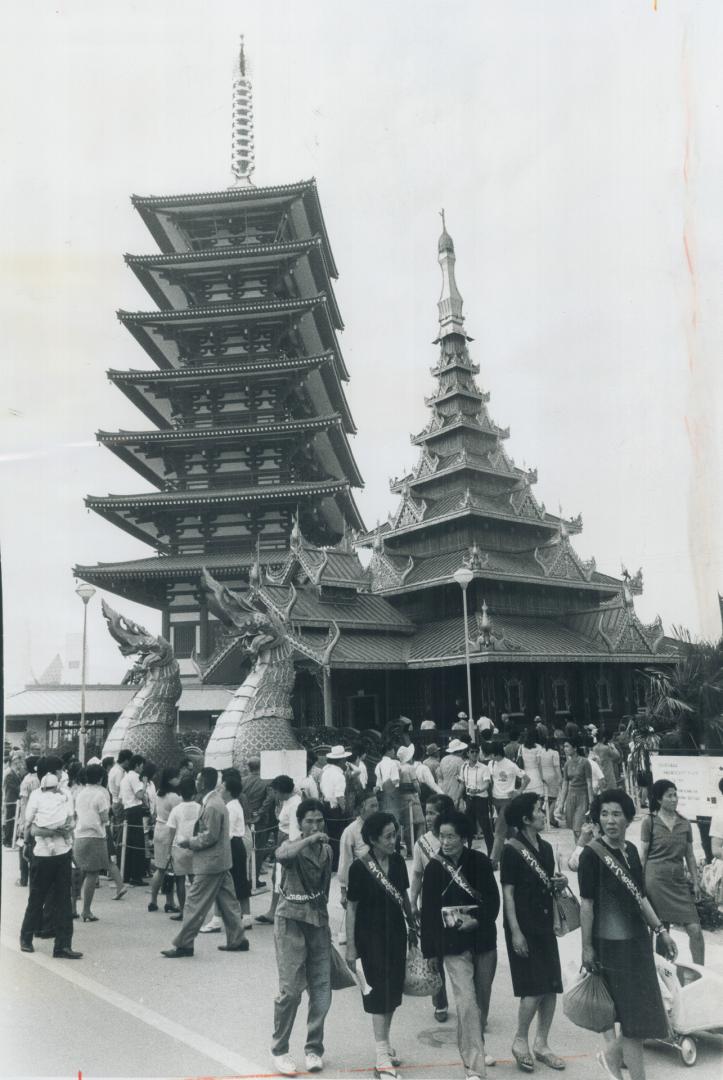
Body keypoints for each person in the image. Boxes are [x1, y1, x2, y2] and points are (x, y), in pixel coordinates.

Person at [578, 789, 676, 1080]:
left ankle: (612, 1059)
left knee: (641, 1017)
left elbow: (640, 897)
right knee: (633, 1020)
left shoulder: (631, 851)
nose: (610, 820)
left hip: (638, 943)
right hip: (610, 947)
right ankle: (626, 1069)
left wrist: (661, 930)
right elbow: (587, 906)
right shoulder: (591, 855)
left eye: (617, 814)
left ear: (628, 818)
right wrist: (586, 948)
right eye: (605, 814)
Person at [420, 809, 500, 1078]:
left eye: (451, 836)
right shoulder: (433, 868)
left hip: (483, 940)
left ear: (464, 837)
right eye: (441, 836)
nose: (446, 842)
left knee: (481, 1002)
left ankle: (476, 1044)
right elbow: (428, 912)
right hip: (452, 945)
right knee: (465, 1002)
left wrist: (476, 920)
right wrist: (429, 951)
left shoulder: (479, 861)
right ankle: (474, 1065)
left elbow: (493, 900)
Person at [346, 812, 415, 1080]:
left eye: (394, 834)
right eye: (388, 836)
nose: (394, 840)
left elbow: (404, 896)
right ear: (373, 839)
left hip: (396, 934)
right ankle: (380, 1055)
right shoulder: (359, 868)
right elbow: (351, 909)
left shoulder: (398, 862)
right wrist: (351, 947)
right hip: (369, 938)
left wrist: (412, 926)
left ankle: (385, 1045)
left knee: (393, 994)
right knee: (378, 995)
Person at [501, 793, 566, 1072]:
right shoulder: (511, 850)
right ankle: (520, 1040)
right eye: (539, 810)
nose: (543, 813)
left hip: (544, 923)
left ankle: (542, 1043)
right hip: (523, 925)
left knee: (550, 986)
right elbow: (508, 894)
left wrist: (559, 884)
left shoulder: (548, 849)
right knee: (533, 987)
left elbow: (549, 885)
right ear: (526, 819)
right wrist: (515, 931)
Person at [271, 799, 333, 1076]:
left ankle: (313, 1048)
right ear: (300, 823)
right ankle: (280, 1049)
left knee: (321, 990)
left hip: (317, 922)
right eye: (309, 821)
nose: (316, 826)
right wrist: (308, 840)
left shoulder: (327, 851)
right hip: (291, 921)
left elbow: (325, 889)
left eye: (319, 821)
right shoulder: (293, 847)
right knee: (291, 991)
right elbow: (282, 855)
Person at [161, 766, 249, 958]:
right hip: (220, 861)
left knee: (194, 903)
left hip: (209, 862)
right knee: (228, 901)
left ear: (202, 782)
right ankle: (238, 938)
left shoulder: (211, 805)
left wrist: (189, 842)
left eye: (199, 779)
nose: (197, 782)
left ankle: (184, 944)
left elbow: (210, 836)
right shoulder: (215, 802)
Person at [640, 779, 704, 964]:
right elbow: (643, 856)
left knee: (695, 930)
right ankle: (664, 974)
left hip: (678, 882)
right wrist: (639, 883)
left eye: (675, 794)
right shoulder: (649, 822)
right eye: (670, 795)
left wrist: (696, 881)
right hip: (655, 881)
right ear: (659, 800)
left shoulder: (685, 823)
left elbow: (690, 856)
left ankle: (701, 973)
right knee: (662, 930)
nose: (674, 799)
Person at [20, 768, 81, 959]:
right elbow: (32, 829)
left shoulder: (66, 795)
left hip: (61, 853)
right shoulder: (36, 797)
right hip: (43, 854)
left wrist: (65, 829)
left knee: (63, 900)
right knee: (38, 898)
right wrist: (56, 832)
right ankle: (26, 938)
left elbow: (72, 821)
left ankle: (62, 945)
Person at [409, 794, 455, 1023]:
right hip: (431, 905)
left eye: (432, 813)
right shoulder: (422, 843)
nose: (427, 818)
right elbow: (417, 874)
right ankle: (440, 1002)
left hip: (456, 904)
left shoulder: (458, 837)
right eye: (426, 813)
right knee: (434, 956)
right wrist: (413, 901)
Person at [73, 763, 127, 919]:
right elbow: (104, 817)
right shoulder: (100, 794)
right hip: (95, 836)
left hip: (79, 835)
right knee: (92, 873)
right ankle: (86, 910)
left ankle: (72, 907)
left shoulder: (80, 793)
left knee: (79, 872)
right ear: (101, 778)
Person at [256, 775, 302, 925]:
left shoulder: (294, 804)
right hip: (282, 840)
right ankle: (274, 910)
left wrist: (288, 848)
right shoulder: (287, 802)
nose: (274, 795)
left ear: (282, 792)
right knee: (277, 877)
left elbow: (295, 831)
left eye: (275, 792)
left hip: (287, 842)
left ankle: (277, 911)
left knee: (281, 877)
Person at [166, 775, 201, 919]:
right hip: (195, 846)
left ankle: (182, 910)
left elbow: (171, 832)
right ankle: (196, 910)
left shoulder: (176, 809)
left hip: (179, 847)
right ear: (195, 792)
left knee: (180, 880)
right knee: (195, 880)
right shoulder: (200, 808)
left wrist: (169, 851)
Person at [489, 743, 529, 868]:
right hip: (496, 800)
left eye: (491, 754)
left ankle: (493, 861)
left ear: (496, 753)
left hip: (507, 800)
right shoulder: (491, 764)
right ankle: (526, 850)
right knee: (510, 831)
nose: (489, 756)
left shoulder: (511, 765)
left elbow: (527, 778)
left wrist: (519, 791)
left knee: (499, 830)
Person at [148, 767, 181, 913]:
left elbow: (154, 811)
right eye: (177, 777)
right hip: (169, 831)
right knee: (170, 870)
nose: (179, 779)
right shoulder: (175, 797)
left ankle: (153, 900)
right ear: (170, 779)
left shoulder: (158, 794)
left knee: (160, 868)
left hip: (159, 828)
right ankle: (170, 901)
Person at [338, 789, 379, 910]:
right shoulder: (350, 832)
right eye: (372, 806)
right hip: (362, 886)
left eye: (377, 805)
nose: (376, 810)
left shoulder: (382, 827)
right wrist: (343, 892)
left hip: (382, 885)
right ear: (361, 808)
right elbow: (345, 863)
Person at [224, 773, 252, 926]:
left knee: (234, 881)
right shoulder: (235, 804)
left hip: (233, 844)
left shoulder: (230, 807)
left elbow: (227, 833)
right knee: (240, 880)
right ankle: (245, 916)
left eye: (223, 787)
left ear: (228, 791)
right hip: (237, 844)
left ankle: (242, 916)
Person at [319, 745, 350, 872]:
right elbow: (340, 796)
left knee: (331, 835)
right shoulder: (339, 775)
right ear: (341, 761)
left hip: (326, 806)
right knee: (339, 836)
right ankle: (337, 863)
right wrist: (344, 810)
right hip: (335, 808)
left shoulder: (325, 772)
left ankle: (332, 862)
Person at [459, 745, 493, 855]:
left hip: (481, 800)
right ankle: (468, 851)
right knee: (468, 826)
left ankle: (491, 853)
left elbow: (487, 784)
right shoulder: (464, 767)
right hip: (469, 799)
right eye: (472, 752)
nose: (474, 754)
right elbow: (462, 784)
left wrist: (478, 790)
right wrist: (458, 798)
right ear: (468, 753)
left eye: (476, 752)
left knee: (486, 827)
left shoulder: (484, 767)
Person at [119, 754, 147, 885]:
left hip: (127, 810)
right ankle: (136, 876)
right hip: (135, 809)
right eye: (141, 766)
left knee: (128, 844)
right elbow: (140, 795)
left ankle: (126, 874)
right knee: (137, 844)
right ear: (137, 765)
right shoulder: (135, 777)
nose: (142, 769)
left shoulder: (125, 777)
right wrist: (145, 783)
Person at [558, 740, 593, 841]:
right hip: (570, 797)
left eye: (567, 746)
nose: (565, 749)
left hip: (583, 796)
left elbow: (589, 784)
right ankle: (579, 850)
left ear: (574, 748)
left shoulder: (585, 762)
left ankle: (581, 850)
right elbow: (565, 784)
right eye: (564, 746)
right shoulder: (567, 764)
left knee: (579, 827)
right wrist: (561, 803)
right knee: (574, 828)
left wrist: (591, 802)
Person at [15, 756, 40, 886]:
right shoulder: (42, 778)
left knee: (23, 847)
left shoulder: (27, 780)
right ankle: (35, 877)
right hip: (40, 819)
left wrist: (23, 822)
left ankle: (24, 878)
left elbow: (24, 803)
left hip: (28, 817)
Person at [397, 745, 424, 855]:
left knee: (408, 825)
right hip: (413, 797)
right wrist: (420, 793)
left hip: (402, 798)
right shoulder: (410, 768)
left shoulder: (399, 767)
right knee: (420, 822)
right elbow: (416, 784)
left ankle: (409, 849)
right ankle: (419, 849)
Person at [374, 741, 401, 820]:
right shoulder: (392, 763)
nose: (394, 751)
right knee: (394, 817)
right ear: (388, 751)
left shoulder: (378, 765)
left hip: (382, 794)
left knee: (384, 818)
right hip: (393, 793)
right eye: (393, 749)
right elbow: (395, 780)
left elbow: (378, 784)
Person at [538, 738, 562, 826]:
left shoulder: (540, 752)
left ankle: (541, 815)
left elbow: (538, 765)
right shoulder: (555, 753)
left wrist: (540, 776)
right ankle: (550, 817)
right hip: (552, 776)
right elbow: (557, 767)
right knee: (553, 798)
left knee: (542, 798)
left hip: (542, 775)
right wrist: (560, 778)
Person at [3, 751, 25, 847]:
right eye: (19, 763)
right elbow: (15, 787)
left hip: (14, 801)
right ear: (15, 763)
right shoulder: (10, 774)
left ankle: (11, 839)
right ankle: (7, 840)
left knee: (13, 821)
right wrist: (22, 792)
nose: (20, 765)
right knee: (10, 822)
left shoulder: (14, 773)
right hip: (11, 801)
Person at [439, 739, 468, 805]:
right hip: (456, 789)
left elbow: (440, 776)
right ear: (460, 750)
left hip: (444, 788)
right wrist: (458, 797)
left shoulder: (444, 759)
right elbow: (462, 781)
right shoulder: (459, 761)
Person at [518, 730, 544, 797]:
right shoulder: (538, 747)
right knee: (537, 796)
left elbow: (520, 761)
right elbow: (539, 763)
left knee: (526, 797)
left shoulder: (521, 747)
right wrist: (542, 777)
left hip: (525, 774)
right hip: (536, 774)